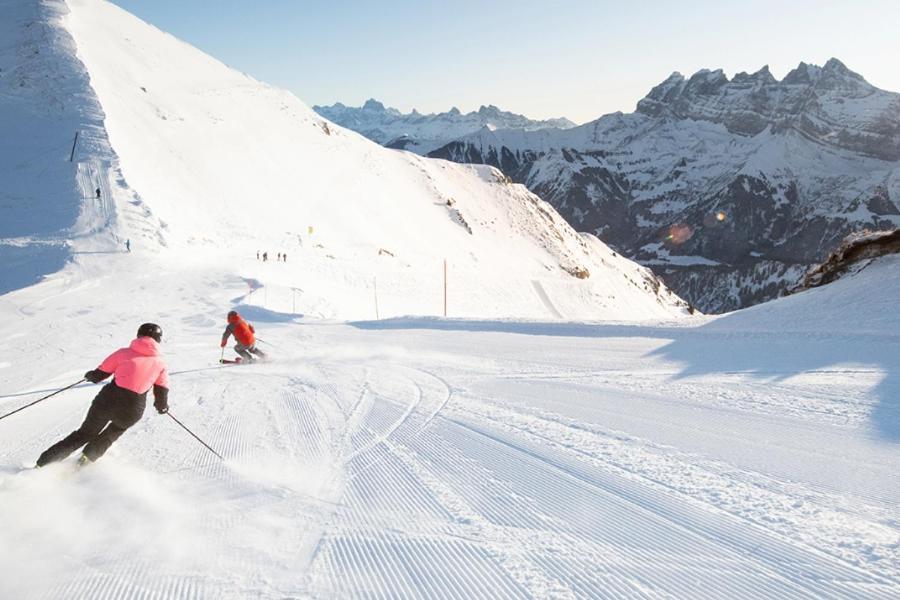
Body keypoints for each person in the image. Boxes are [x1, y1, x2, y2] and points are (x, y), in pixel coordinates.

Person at [36, 323, 169, 467]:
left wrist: (91, 376)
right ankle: (85, 461)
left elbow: (100, 374)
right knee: (112, 433)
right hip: (132, 409)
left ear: (138, 335)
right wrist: (162, 406)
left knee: (85, 433)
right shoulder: (161, 363)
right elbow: (161, 389)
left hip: (108, 401)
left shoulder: (123, 353)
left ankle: (44, 463)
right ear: (158, 339)